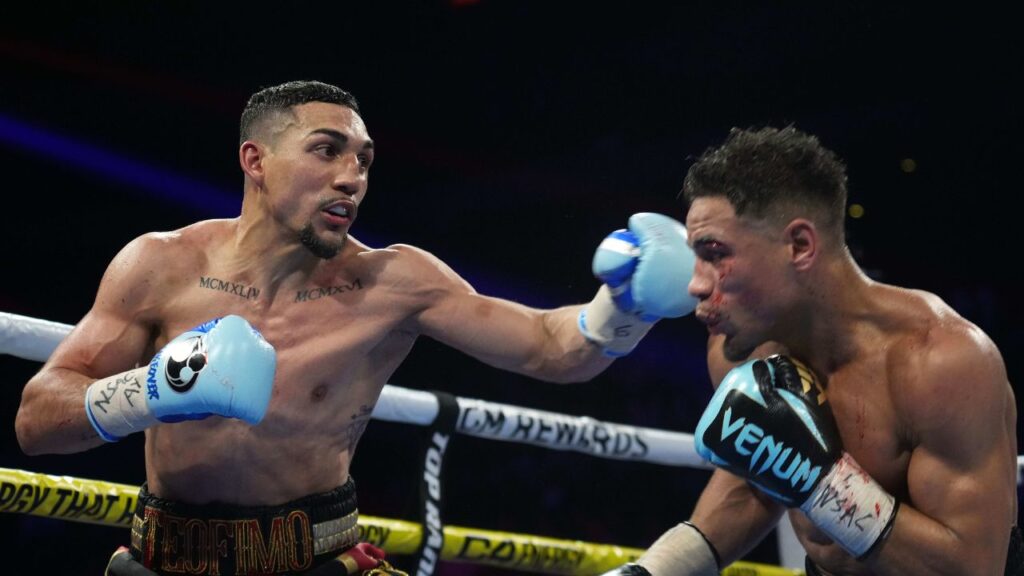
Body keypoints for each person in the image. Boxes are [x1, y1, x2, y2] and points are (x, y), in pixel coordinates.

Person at [13, 80, 697, 576]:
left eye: (363, 159)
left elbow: (555, 351)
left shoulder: (391, 282)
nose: (351, 178)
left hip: (316, 559)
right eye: (326, 151)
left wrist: (624, 309)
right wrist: (157, 389)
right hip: (161, 560)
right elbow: (36, 422)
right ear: (256, 161)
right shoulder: (159, 265)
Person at [603, 126, 1020, 575]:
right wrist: (652, 571)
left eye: (715, 253)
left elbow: (976, 568)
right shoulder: (740, 351)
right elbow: (757, 486)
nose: (696, 284)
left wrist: (822, 483)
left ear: (799, 246)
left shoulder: (939, 362)